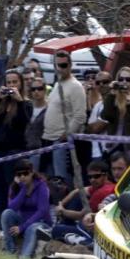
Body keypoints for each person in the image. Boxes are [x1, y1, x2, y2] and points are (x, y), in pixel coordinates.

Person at [0, 69, 32, 223]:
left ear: (21, 84)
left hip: (14, 151)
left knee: (13, 187)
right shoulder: (2, 103)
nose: (12, 85)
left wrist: (19, 101)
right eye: (9, 83)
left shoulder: (26, 103)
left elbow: (24, 122)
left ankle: (14, 221)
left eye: (15, 82)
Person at [41, 50, 86, 180]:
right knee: (49, 180)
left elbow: (80, 116)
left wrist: (66, 135)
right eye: (57, 65)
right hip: (48, 138)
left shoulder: (76, 86)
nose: (60, 69)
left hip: (61, 141)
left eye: (63, 65)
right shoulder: (57, 84)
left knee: (62, 180)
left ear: (70, 65)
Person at [47, 160, 115, 247]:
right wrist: (61, 204)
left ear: (106, 175)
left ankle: (85, 242)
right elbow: (78, 190)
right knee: (79, 196)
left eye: (96, 176)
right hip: (87, 224)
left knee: (56, 230)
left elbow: (80, 215)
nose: (92, 180)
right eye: (90, 177)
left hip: (92, 231)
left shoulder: (103, 191)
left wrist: (62, 211)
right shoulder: (104, 185)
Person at [0, 159, 52, 258]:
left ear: (31, 172)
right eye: (19, 174)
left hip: (40, 223)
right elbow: (12, 207)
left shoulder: (41, 186)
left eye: (25, 173)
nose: (22, 177)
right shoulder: (15, 187)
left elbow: (42, 211)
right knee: (6, 213)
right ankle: (10, 252)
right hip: (23, 221)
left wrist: (22, 227)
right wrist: (23, 189)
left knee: (31, 228)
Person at [100, 66, 130, 160]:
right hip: (113, 148)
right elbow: (106, 116)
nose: (124, 82)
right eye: (121, 79)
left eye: (128, 79)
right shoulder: (113, 99)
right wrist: (111, 95)